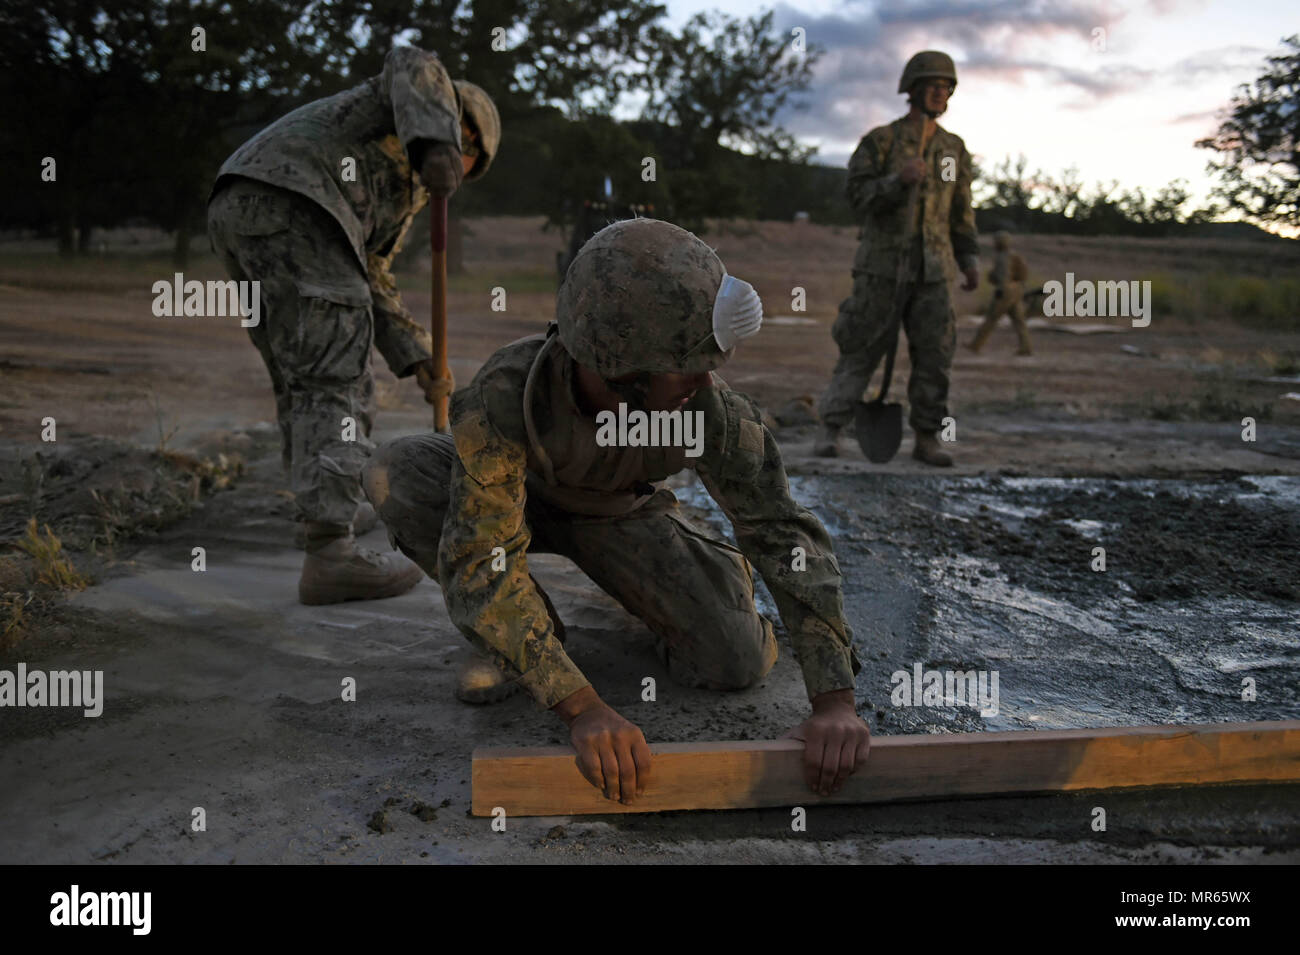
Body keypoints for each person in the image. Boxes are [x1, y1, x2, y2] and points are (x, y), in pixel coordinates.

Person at [362, 218, 869, 803]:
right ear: (619, 368)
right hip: (510, 503)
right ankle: (527, 639)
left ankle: (676, 570)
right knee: (394, 472)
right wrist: (581, 708)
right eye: (686, 361)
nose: (705, 378)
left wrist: (835, 701)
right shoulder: (503, 396)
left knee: (736, 659)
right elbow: (480, 554)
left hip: (619, 513)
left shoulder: (705, 408)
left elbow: (782, 532)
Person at [206, 46, 500, 604]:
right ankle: (331, 553)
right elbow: (414, 60)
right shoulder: (404, 102)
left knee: (302, 376)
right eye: (468, 162)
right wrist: (436, 143)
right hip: (297, 199)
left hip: (248, 206)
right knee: (336, 378)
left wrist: (420, 357)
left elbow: (372, 275)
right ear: (463, 131)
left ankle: (325, 501)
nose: (460, 178)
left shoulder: (404, 189)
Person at [814, 50, 979, 467]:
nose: (941, 93)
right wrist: (896, 181)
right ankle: (831, 428)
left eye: (946, 87)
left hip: (934, 271)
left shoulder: (953, 150)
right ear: (913, 90)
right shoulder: (881, 141)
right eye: (933, 86)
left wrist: (969, 259)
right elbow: (856, 196)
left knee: (935, 354)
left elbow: (961, 211)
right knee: (860, 347)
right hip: (882, 268)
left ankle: (927, 438)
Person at [968, 231, 1032, 355]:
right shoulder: (1015, 256)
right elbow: (1023, 273)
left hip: (1005, 291)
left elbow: (1002, 276)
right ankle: (1026, 347)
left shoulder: (1002, 257)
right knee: (1019, 321)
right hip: (1016, 290)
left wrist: (999, 289)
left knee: (991, 318)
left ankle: (976, 345)